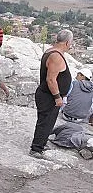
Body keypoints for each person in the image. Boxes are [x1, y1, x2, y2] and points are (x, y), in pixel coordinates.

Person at [30, 29, 74, 158]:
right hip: (49, 96)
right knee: (45, 122)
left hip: (47, 94)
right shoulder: (56, 56)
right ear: (67, 42)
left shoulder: (51, 51)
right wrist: (57, 97)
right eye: (71, 43)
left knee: (48, 121)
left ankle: (41, 143)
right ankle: (36, 148)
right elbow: (51, 79)